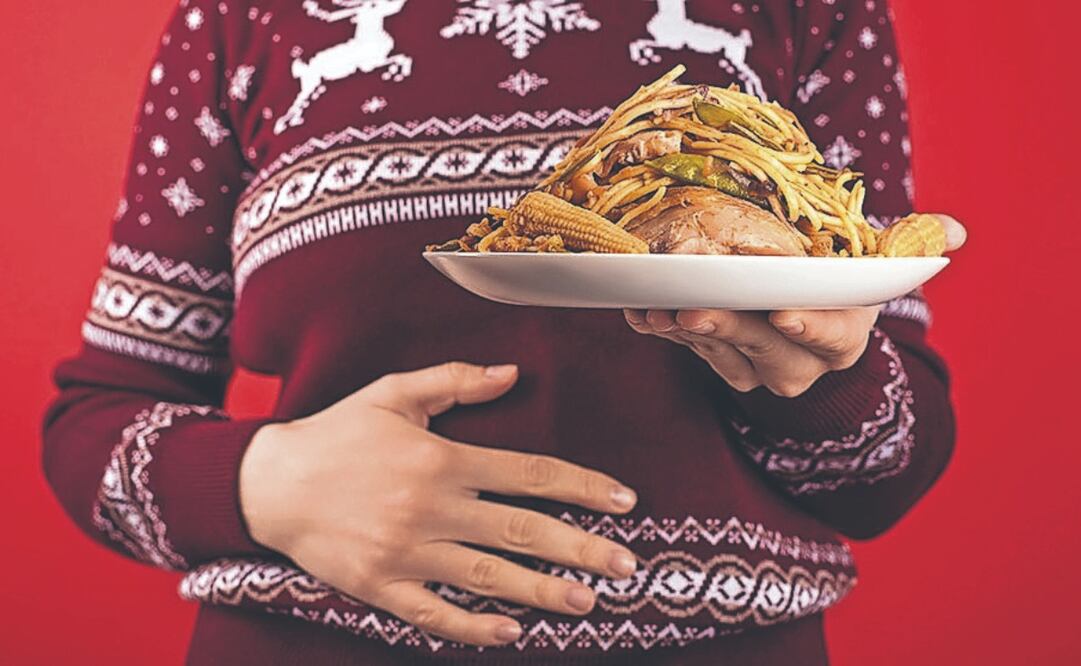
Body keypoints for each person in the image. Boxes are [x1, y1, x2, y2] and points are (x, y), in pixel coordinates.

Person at [43, 1, 963, 663]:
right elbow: (97, 420)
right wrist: (263, 483)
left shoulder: (808, 11)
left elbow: (885, 482)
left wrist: (823, 373)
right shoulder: (240, 19)